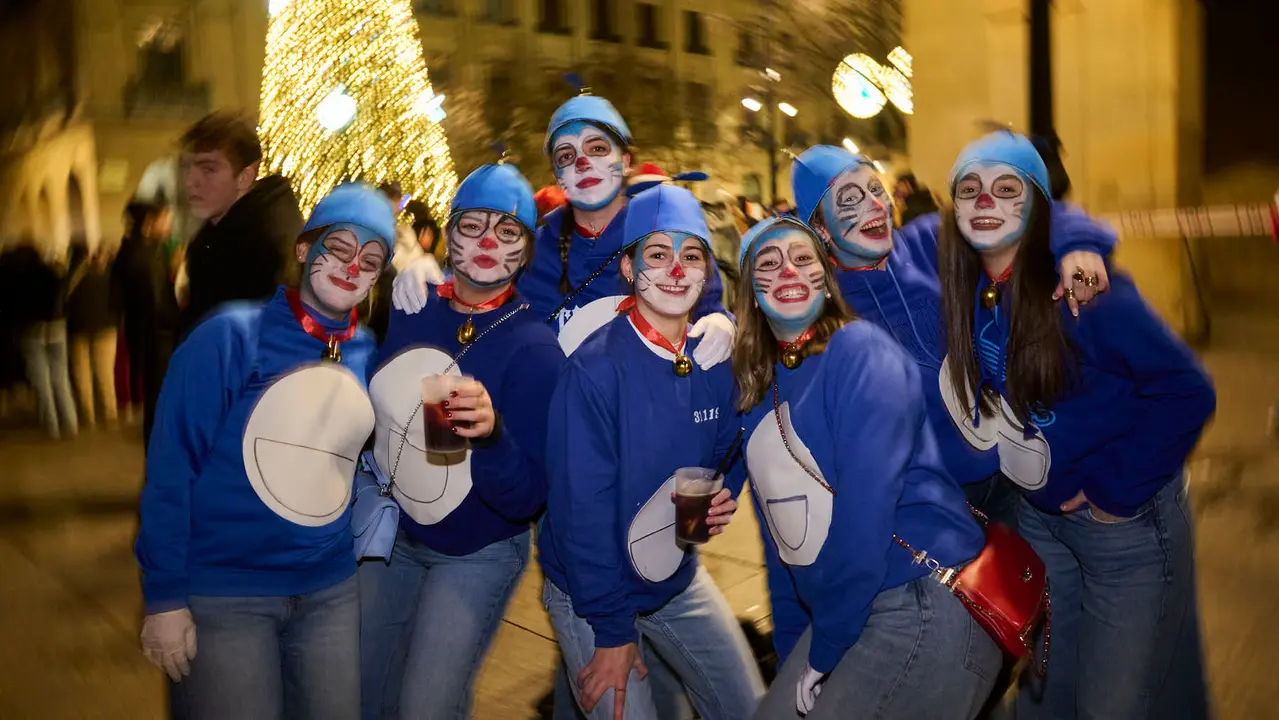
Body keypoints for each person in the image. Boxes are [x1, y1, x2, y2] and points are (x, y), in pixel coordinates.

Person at [936, 131, 1216, 719]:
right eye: (970, 189)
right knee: (1043, 699)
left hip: (1124, 533)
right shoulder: (970, 288)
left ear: (1035, 203)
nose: (986, 201)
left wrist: (1111, 493)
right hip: (1043, 530)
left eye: (1006, 188)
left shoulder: (1085, 294)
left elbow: (1187, 391)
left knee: (1109, 707)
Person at [134, 183, 395, 719]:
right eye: (340, 248)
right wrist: (164, 597)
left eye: (370, 260)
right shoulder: (229, 336)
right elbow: (170, 469)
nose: (352, 268)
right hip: (228, 596)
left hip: (329, 590)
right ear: (305, 249)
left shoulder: (365, 351)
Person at [733, 216, 999, 719]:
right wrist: (796, 652)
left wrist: (827, 645)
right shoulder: (757, 396)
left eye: (803, 257)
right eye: (768, 264)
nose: (788, 270)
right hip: (847, 607)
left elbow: (866, 513)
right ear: (750, 295)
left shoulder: (862, 352)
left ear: (825, 278)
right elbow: (784, 548)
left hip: (919, 598)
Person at [788, 145, 1115, 534]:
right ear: (821, 229)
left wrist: (1079, 247)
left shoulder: (932, 240)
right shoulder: (821, 309)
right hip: (933, 505)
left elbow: (1035, 216)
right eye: (850, 199)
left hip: (1015, 474)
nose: (874, 205)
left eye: (876, 189)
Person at [539, 184, 765, 720]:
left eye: (691, 256)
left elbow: (729, 448)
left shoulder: (714, 361)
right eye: (657, 254)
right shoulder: (594, 372)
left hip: (674, 575)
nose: (675, 270)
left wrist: (720, 499)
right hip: (590, 592)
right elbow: (581, 513)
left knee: (750, 707)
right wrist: (613, 634)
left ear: (708, 272)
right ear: (627, 267)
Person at [359, 162, 566, 719]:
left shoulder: (535, 349)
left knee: (427, 707)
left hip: (476, 553)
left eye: (507, 232)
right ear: (447, 235)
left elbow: (527, 499)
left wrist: (492, 434)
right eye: (472, 226)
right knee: (362, 693)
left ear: (525, 252)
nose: (486, 243)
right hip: (393, 537)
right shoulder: (408, 309)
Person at [393, 91, 736, 368]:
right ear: (558, 175)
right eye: (566, 156)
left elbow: (707, 311)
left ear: (626, 161)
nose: (583, 163)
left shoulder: (669, 246)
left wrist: (724, 325)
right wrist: (432, 274)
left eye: (598, 148)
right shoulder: (528, 250)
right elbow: (474, 290)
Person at [177, 111, 304, 341]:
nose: (190, 181)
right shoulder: (216, 234)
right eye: (188, 168)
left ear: (245, 176)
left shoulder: (269, 244)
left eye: (208, 169)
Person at [114, 201, 180, 448]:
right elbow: (157, 308)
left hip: (152, 342)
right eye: (164, 218)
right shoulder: (142, 259)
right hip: (156, 343)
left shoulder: (141, 251)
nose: (169, 224)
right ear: (148, 223)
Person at [12, 240, 78, 439]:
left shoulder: (17, 277)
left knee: (42, 380)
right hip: (57, 326)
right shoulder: (50, 272)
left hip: (32, 329)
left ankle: (51, 427)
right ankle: (70, 422)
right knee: (61, 376)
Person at [66, 241, 121, 428]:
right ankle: (110, 413)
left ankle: (88, 416)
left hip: (78, 330)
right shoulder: (111, 279)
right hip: (106, 329)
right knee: (105, 374)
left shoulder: (72, 281)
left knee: (82, 375)